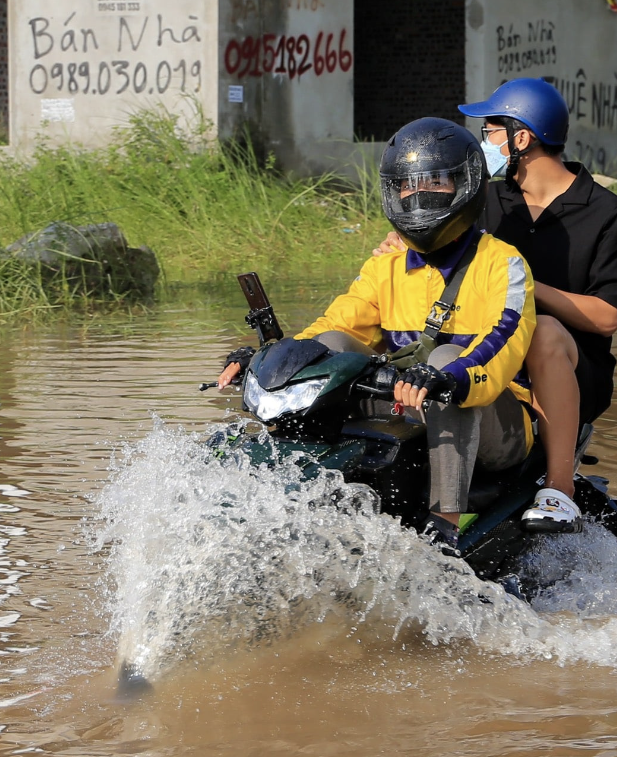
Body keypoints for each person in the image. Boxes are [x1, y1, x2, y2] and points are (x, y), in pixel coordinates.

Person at [220, 117, 536, 554]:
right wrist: (274, 357)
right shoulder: (384, 266)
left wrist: (449, 377)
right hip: (407, 404)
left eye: (437, 182)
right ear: (393, 191)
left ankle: (445, 521)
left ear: (467, 185)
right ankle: (293, 492)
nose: (419, 194)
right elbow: (335, 327)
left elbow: (503, 341)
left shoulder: (503, 263)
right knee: (329, 348)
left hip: (494, 427)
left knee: (445, 357)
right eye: (407, 185)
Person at [374, 78, 617, 531]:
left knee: (545, 332)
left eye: (491, 130)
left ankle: (559, 488)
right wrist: (411, 242)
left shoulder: (605, 211)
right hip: (484, 349)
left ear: (521, 138)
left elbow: (607, 317)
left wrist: (525, 288)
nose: (483, 141)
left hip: (567, 362)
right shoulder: (488, 199)